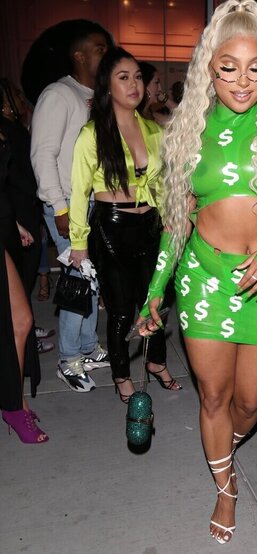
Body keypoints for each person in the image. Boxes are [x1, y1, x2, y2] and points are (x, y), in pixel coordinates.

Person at [137, 0, 257, 544]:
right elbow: (177, 222)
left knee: (247, 404)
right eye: (229, 67)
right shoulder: (187, 132)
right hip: (204, 278)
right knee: (213, 398)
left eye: (256, 67)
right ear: (208, 68)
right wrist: (155, 291)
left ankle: (226, 448)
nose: (243, 80)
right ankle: (226, 486)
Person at [69, 47, 181, 402]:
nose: (134, 84)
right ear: (107, 85)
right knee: (120, 311)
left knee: (155, 302)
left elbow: (162, 184)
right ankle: (121, 376)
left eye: (138, 77)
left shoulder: (153, 129)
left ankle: (156, 362)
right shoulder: (92, 134)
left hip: (151, 224)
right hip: (112, 227)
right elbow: (78, 191)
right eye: (123, 77)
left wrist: (171, 219)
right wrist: (78, 243)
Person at [31, 21, 111, 392]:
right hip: (66, 204)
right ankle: (68, 360)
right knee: (78, 282)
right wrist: (60, 207)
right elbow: (42, 154)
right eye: (99, 48)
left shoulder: (97, 95)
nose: (106, 54)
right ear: (79, 55)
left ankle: (87, 347)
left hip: (92, 203)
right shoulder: (59, 94)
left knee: (90, 280)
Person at [0, 120, 48, 443]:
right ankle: (14, 406)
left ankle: (15, 403)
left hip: (5, 226)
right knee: (19, 321)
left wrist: (14, 223)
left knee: (19, 321)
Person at [0, 77, 55, 356]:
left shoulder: (15, 127)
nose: (22, 100)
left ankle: (27, 334)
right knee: (21, 279)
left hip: (23, 209)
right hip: (16, 211)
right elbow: (14, 175)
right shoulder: (6, 130)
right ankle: (24, 339)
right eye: (16, 96)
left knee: (26, 277)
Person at [138, 62, 178, 127]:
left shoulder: (153, 116)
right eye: (156, 82)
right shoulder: (134, 117)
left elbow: (184, 118)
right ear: (145, 84)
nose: (160, 89)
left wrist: (165, 99)